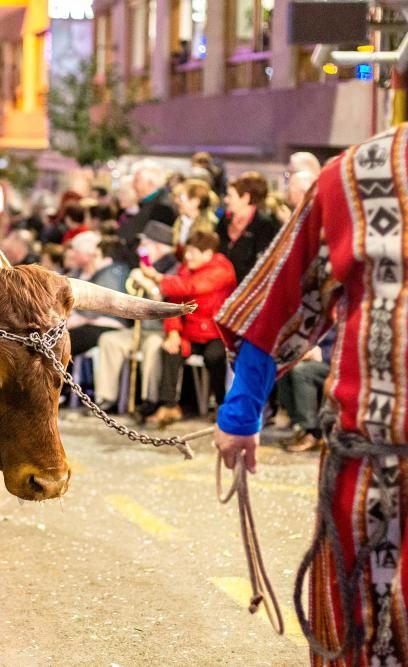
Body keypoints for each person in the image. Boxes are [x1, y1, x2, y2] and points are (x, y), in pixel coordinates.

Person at [214, 125, 408, 664]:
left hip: (373, 470)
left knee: (364, 641)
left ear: (395, 77)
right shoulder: (348, 176)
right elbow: (282, 296)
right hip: (374, 466)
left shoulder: (354, 175)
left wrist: (241, 410)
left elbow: (281, 297)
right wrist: (240, 409)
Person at [145, 230, 236, 427]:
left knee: (215, 357)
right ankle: (168, 405)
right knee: (170, 349)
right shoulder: (185, 270)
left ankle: (222, 404)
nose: (188, 256)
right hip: (191, 333)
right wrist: (173, 332)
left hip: (218, 333)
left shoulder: (222, 270)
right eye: (188, 251)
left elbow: (191, 288)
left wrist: (158, 278)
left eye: (193, 252)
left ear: (208, 254)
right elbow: (176, 302)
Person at [94, 221, 179, 414]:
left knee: (152, 348)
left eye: (146, 244)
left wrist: (149, 283)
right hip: (140, 329)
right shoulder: (145, 266)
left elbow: (163, 298)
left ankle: (149, 400)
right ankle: (106, 397)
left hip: (160, 330)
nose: (141, 249)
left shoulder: (173, 267)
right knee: (109, 340)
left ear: (158, 246)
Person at [65, 230, 131, 356]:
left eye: (76, 251)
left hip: (109, 324)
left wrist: (81, 319)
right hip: (87, 323)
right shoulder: (78, 273)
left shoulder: (110, 273)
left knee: (67, 340)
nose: (72, 255)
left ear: (89, 253)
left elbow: (104, 307)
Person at [217, 171, 278, 282]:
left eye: (230, 196)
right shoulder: (224, 221)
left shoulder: (264, 225)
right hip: (221, 285)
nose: (225, 200)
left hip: (246, 290)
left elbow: (262, 266)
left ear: (245, 198)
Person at [119, 160, 177, 254]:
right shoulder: (146, 203)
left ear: (151, 183)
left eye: (137, 181)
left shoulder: (162, 207)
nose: (133, 185)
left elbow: (155, 244)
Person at [171, 179, 218, 258]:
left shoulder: (209, 227)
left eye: (182, 198)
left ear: (195, 202)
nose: (177, 201)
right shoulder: (180, 221)